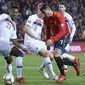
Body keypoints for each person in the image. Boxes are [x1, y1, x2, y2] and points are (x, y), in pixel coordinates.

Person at [38, 3, 80, 83]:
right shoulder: (46, 18)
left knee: (56, 55)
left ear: (48, 9)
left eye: (44, 12)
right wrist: (48, 42)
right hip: (56, 37)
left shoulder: (59, 16)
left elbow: (62, 31)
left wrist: (52, 40)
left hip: (64, 35)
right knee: (56, 57)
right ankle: (75, 63)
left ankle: (63, 75)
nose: (43, 14)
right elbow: (47, 30)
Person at [23, 3, 58, 80]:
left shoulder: (42, 21)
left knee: (52, 56)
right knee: (46, 54)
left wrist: (40, 39)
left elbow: (38, 32)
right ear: (40, 10)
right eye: (44, 12)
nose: (44, 14)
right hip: (30, 41)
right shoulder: (32, 17)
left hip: (38, 41)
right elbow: (26, 29)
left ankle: (41, 68)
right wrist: (35, 37)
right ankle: (53, 75)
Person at [0, 6, 29, 83]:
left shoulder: (13, 24)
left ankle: (9, 76)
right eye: (13, 12)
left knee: (9, 60)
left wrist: (22, 48)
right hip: (2, 42)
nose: (15, 14)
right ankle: (19, 77)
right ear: (9, 11)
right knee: (19, 54)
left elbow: (14, 40)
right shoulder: (4, 16)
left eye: (16, 12)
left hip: (4, 45)